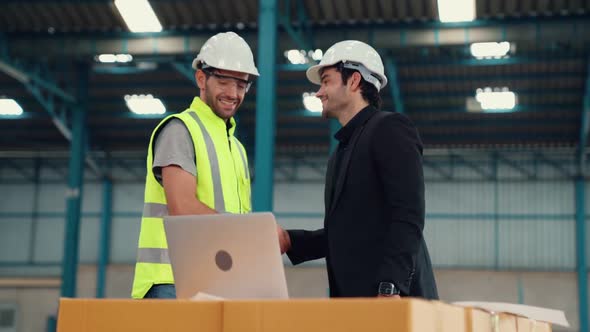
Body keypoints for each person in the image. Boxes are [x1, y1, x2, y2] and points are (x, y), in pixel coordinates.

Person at [277, 40, 439, 299]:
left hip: (391, 300)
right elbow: (346, 235)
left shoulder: (391, 128)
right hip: (355, 303)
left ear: (353, 81)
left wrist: (391, 285)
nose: (319, 92)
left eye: (326, 81)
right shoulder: (341, 153)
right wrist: (290, 240)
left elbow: (408, 214)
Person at [131, 32, 258, 299]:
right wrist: (251, 234)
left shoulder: (237, 149)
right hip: (170, 283)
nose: (233, 94)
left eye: (242, 85)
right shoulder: (180, 130)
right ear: (201, 78)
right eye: (224, 82)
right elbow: (182, 207)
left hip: (218, 284)